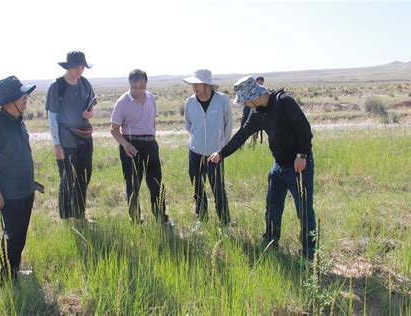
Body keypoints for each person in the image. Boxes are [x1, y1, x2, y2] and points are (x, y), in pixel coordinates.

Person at [209, 76, 317, 260]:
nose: (245, 105)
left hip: (298, 166)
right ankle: (270, 241)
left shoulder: (284, 102)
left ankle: (309, 255)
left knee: (304, 211)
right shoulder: (258, 112)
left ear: (253, 96)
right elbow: (242, 134)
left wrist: (302, 155)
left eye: (245, 101)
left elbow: (304, 129)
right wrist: (221, 153)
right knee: (272, 207)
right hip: (278, 166)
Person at [0, 76, 37, 284]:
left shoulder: (19, 120)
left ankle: (14, 270)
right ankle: (6, 279)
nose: (25, 98)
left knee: (20, 235)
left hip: (26, 190)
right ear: (8, 101)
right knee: (12, 236)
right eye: (20, 95)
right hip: (9, 195)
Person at [110, 69, 172, 227]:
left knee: (156, 183)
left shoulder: (151, 98)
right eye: (135, 87)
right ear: (129, 84)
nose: (138, 90)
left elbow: (153, 120)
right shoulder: (122, 102)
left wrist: (152, 140)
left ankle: (161, 218)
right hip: (131, 145)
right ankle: (135, 220)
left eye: (141, 87)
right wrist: (125, 144)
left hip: (150, 144)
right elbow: (114, 129)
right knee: (133, 185)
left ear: (146, 84)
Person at [46, 51, 96, 220]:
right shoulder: (57, 86)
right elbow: (52, 116)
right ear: (68, 66)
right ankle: (66, 217)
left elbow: (91, 107)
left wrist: (90, 114)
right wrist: (56, 144)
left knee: (84, 176)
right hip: (66, 140)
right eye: (77, 66)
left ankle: (79, 214)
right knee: (67, 179)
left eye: (82, 66)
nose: (80, 70)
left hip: (85, 137)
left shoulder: (85, 84)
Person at [183, 69, 233, 227]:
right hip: (195, 152)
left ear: (207, 85)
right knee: (197, 187)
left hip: (215, 154)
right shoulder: (190, 102)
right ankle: (202, 219)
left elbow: (228, 125)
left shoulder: (222, 100)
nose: (194, 87)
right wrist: (197, 139)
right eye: (193, 84)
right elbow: (188, 124)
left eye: (197, 84)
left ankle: (225, 224)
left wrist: (221, 148)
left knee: (218, 189)